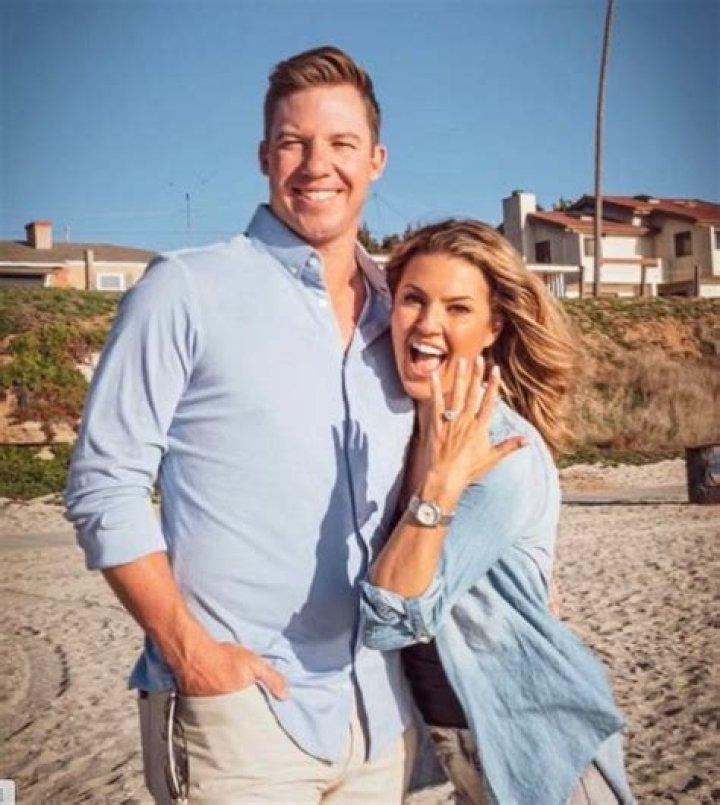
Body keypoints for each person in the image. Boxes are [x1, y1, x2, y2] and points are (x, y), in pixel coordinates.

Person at [65, 46, 419, 804]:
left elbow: (464, 454)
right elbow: (104, 485)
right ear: (264, 157)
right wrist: (191, 655)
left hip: (381, 715)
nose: (317, 165)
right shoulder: (184, 291)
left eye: (341, 143)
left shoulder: (404, 311)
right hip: (241, 713)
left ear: (377, 160)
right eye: (294, 142)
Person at [360, 220, 635, 805]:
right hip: (465, 743)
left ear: (493, 328)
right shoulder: (404, 437)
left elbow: (394, 618)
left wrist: (438, 490)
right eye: (413, 299)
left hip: (540, 746)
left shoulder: (502, 453)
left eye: (458, 308)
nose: (428, 323)